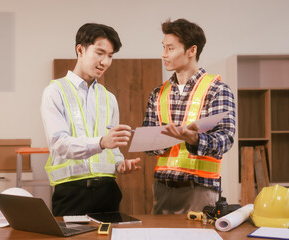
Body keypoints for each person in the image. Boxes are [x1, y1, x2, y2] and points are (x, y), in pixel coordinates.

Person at [41, 23, 141, 217]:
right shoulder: (55, 92)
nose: (105, 61)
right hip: (71, 194)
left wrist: (120, 165)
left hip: (108, 192)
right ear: (80, 49)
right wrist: (102, 142)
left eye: (110, 56)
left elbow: (114, 149)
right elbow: (59, 144)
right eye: (100, 53)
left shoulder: (109, 97)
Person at [142, 18, 236, 214]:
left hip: (200, 191)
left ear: (191, 50)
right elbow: (148, 146)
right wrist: (153, 141)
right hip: (162, 189)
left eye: (170, 48)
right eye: (163, 48)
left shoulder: (217, 90)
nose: (163, 54)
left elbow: (226, 138)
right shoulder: (158, 93)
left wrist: (195, 139)